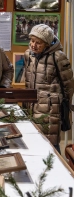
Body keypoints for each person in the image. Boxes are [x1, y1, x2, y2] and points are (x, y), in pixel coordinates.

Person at [23, 24, 74, 153]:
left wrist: (64, 104)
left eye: (38, 42)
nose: (33, 45)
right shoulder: (28, 55)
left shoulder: (58, 56)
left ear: (47, 43)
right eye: (32, 40)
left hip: (51, 109)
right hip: (31, 105)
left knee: (51, 146)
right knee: (33, 142)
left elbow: (68, 84)